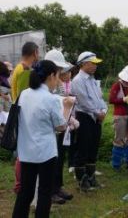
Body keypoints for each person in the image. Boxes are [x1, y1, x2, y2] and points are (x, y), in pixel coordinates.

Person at [12, 60, 72, 218]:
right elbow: (60, 126)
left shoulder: (24, 94)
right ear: (51, 76)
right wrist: (66, 108)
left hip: (26, 151)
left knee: (25, 192)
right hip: (46, 153)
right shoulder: (50, 98)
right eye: (57, 76)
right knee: (44, 193)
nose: (57, 80)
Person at [44, 49, 78, 204]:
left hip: (61, 124)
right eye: (58, 69)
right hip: (50, 127)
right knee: (51, 161)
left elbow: (62, 102)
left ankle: (58, 187)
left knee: (59, 158)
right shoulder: (46, 82)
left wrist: (69, 117)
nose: (61, 72)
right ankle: (50, 191)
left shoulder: (59, 83)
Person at [71, 51, 107, 191]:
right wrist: (98, 113)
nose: (95, 66)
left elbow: (100, 98)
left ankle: (91, 177)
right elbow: (84, 101)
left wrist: (103, 111)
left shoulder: (93, 79)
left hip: (96, 118)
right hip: (84, 117)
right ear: (84, 63)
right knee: (83, 147)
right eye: (93, 63)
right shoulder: (77, 80)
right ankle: (82, 180)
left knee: (93, 146)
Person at [11, 42, 39, 194]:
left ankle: (21, 184)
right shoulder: (23, 69)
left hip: (20, 112)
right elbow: (24, 96)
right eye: (38, 52)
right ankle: (20, 185)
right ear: (35, 52)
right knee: (22, 154)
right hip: (22, 114)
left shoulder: (20, 68)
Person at [109, 65, 128, 170]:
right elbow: (111, 100)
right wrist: (123, 100)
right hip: (120, 115)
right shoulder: (117, 85)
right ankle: (116, 164)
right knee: (119, 139)